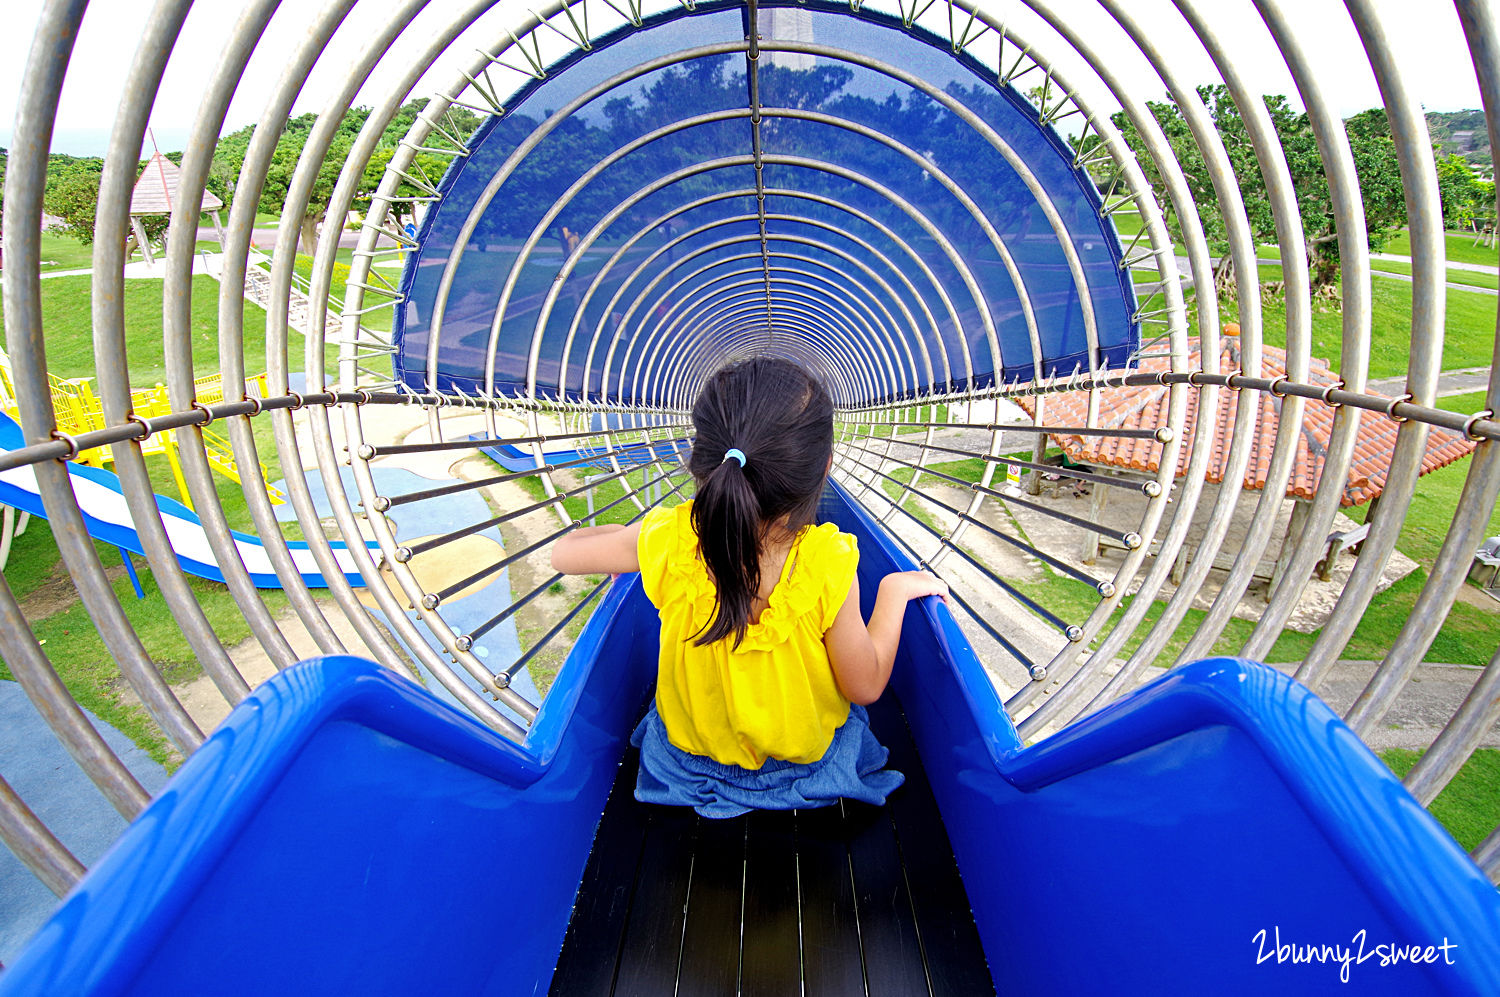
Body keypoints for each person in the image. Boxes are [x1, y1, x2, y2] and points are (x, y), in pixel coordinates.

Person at [550, 357, 949, 818]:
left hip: (685, 763)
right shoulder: (827, 559)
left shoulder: (666, 537)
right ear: (824, 468)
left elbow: (564, 554)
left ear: (701, 459)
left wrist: (627, 532)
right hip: (804, 770)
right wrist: (893, 592)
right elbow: (865, 686)